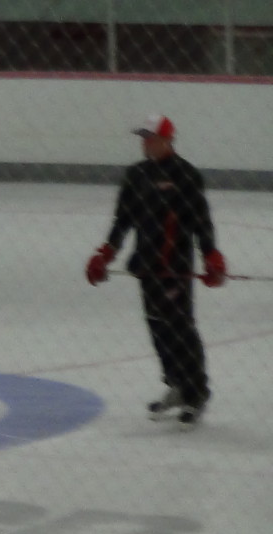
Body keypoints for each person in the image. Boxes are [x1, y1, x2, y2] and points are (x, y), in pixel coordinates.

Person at [84, 114, 226, 430]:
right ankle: (176, 383)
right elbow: (123, 219)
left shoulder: (186, 175)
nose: (144, 142)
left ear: (167, 139)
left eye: (150, 137)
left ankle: (196, 391)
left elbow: (200, 221)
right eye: (143, 137)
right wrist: (106, 253)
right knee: (157, 325)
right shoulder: (136, 175)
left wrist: (211, 255)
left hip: (175, 267)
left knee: (180, 326)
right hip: (146, 265)